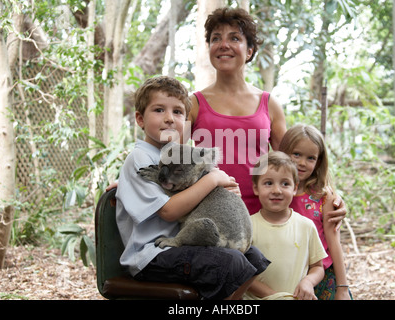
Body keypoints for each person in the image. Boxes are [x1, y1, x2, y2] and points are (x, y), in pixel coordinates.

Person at [115, 75, 270, 300]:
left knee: (253, 257)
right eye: (159, 110)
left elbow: (201, 184)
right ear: (139, 118)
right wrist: (213, 180)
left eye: (177, 112)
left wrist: (224, 191)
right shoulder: (139, 157)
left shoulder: (177, 153)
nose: (169, 118)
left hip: (182, 244)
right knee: (231, 262)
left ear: (186, 121)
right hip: (151, 255)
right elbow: (168, 211)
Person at [188, 7, 347, 225]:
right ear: (209, 48)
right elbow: (168, 156)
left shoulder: (269, 104)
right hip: (212, 215)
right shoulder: (193, 103)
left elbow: (294, 164)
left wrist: (329, 196)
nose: (224, 45)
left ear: (250, 51)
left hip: (264, 217)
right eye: (216, 38)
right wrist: (131, 181)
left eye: (234, 38)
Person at [279, 124, 352, 300]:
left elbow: (334, 243)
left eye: (310, 158)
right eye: (296, 154)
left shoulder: (323, 196)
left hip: (323, 276)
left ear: (318, 161)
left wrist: (342, 288)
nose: (302, 163)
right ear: (283, 153)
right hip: (288, 276)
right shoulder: (275, 193)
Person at [245, 151, 327, 300]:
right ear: (256, 188)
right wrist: (274, 296)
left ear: (294, 188)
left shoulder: (306, 226)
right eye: (268, 183)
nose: (277, 190)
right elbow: (242, 272)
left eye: (285, 184)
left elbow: (318, 267)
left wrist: (308, 282)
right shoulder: (248, 226)